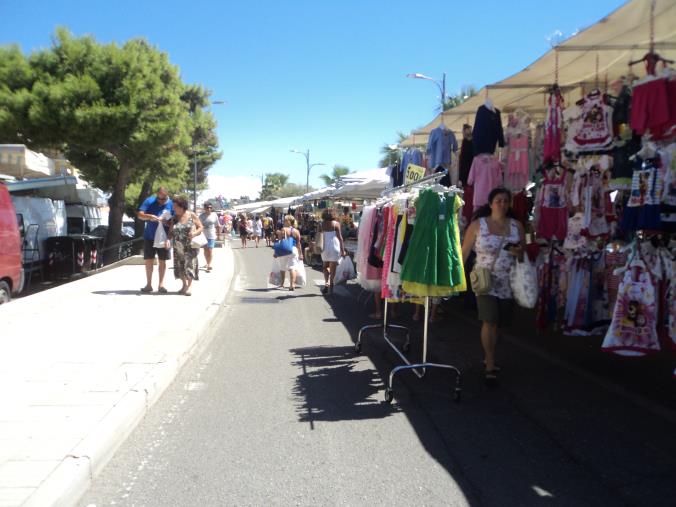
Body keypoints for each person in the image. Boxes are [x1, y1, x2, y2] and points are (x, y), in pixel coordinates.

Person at [461, 187, 525, 384]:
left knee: (500, 323)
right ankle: (490, 362)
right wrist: (456, 278)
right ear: (490, 204)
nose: (503, 204)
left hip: (508, 280)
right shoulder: (478, 225)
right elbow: (463, 253)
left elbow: (524, 254)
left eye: (506, 201)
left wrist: (519, 253)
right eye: (499, 200)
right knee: (489, 320)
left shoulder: (517, 226)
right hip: (485, 279)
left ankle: (490, 354)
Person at [137, 187, 173, 294]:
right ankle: (148, 285)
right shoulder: (149, 201)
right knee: (149, 260)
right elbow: (140, 215)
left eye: (163, 199)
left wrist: (167, 223)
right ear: (157, 195)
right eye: (159, 198)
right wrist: (149, 216)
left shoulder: (171, 204)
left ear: (167, 195)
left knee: (162, 261)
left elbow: (175, 221)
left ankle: (161, 285)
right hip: (149, 236)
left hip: (164, 238)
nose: (161, 201)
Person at [169, 196, 204, 296]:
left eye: (175, 206)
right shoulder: (174, 218)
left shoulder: (191, 215)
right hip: (178, 246)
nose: (173, 208)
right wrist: (168, 239)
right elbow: (171, 232)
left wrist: (194, 233)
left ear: (182, 206)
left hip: (190, 245)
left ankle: (189, 286)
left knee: (189, 265)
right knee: (180, 266)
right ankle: (184, 285)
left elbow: (201, 227)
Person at [319, 208, 346, 294]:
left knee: (325, 266)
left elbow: (318, 236)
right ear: (333, 215)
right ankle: (331, 286)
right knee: (333, 269)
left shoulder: (321, 224)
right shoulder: (336, 224)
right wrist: (343, 250)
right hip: (335, 247)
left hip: (325, 247)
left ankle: (326, 283)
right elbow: (340, 238)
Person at [276, 215, 304, 291]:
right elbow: (299, 243)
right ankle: (292, 285)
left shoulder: (283, 229)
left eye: (285, 220)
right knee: (293, 268)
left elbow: (280, 241)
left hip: (284, 249)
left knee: (283, 267)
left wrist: (276, 252)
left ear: (289, 221)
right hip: (294, 250)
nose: (284, 222)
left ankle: (282, 284)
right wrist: (301, 253)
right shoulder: (296, 231)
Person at [199, 203, 218, 271]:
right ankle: (207, 262)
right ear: (204, 208)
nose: (209, 209)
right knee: (205, 250)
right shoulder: (201, 216)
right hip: (203, 236)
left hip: (211, 235)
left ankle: (209, 265)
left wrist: (218, 234)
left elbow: (217, 225)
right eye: (207, 207)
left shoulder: (214, 215)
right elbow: (198, 225)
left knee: (210, 250)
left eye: (210, 207)